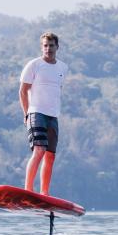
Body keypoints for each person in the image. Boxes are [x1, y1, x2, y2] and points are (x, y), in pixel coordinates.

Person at [19, 31, 68, 195]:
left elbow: (57, 89)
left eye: (51, 45)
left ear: (57, 47)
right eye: (45, 46)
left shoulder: (63, 67)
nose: (48, 49)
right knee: (39, 150)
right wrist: (26, 113)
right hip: (36, 112)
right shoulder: (34, 65)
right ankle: (28, 189)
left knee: (50, 155)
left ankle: (44, 193)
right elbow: (23, 91)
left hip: (53, 115)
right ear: (42, 47)